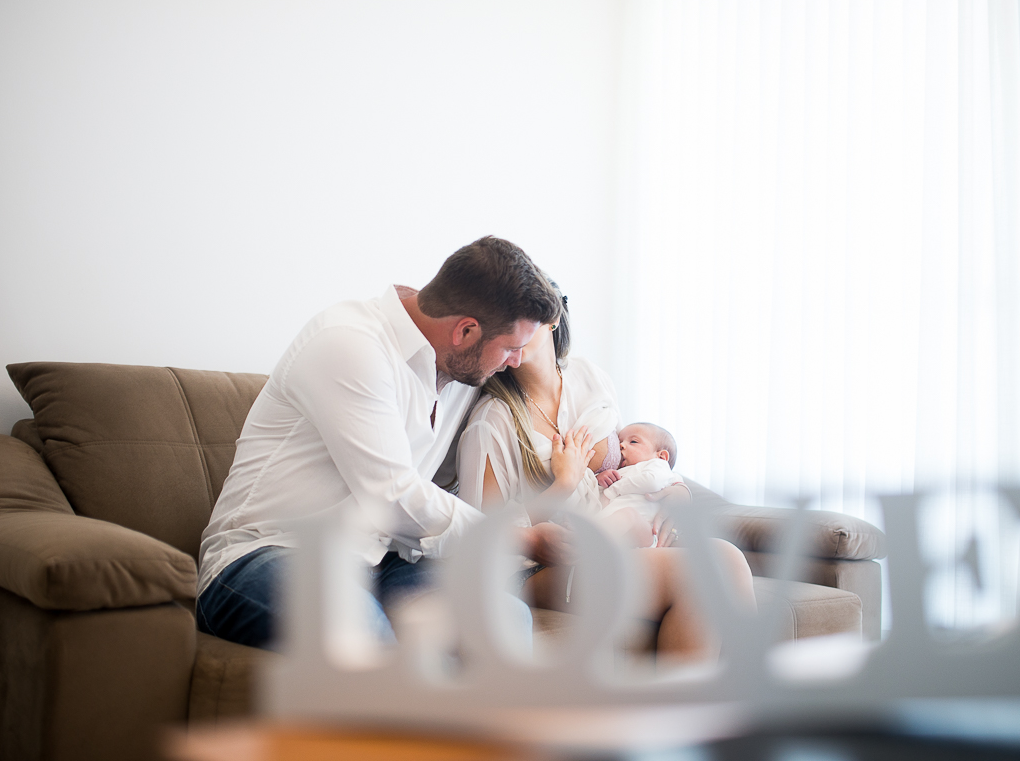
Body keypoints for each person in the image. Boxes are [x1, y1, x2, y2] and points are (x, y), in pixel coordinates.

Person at [196, 237, 575, 649]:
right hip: (267, 554)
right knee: (366, 635)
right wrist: (525, 537)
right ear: (465, 330)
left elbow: (561, 386)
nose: (516, 362)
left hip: (379, 562)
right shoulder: (349, 343)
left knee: (503, 622)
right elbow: (393, 497)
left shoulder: (460, 361)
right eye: (512, 349)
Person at [456, 287, 756, 662]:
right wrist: (562, 484)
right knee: (717, 566)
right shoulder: (493, 420)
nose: (501, 331)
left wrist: (674, 490)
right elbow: (481, 534)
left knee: (721, 563)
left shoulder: (589, 379)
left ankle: (692, 714)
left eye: (510, 317)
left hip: (610, 539)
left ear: (549, 318)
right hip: (533, 570)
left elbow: (635, 460)